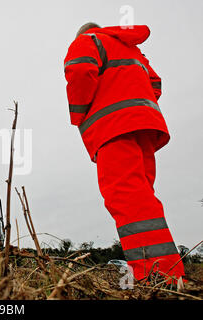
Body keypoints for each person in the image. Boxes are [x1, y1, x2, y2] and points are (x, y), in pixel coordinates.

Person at [63, 22, 185, 283]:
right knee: (142, 195)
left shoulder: (88, 40)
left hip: (113, 129)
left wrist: (79, 114)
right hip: (144, 127)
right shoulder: (132, 50)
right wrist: (136, 104)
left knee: (125, 196)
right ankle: (166, 272)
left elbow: (80, 70)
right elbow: (155, 83)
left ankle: (156, 273)